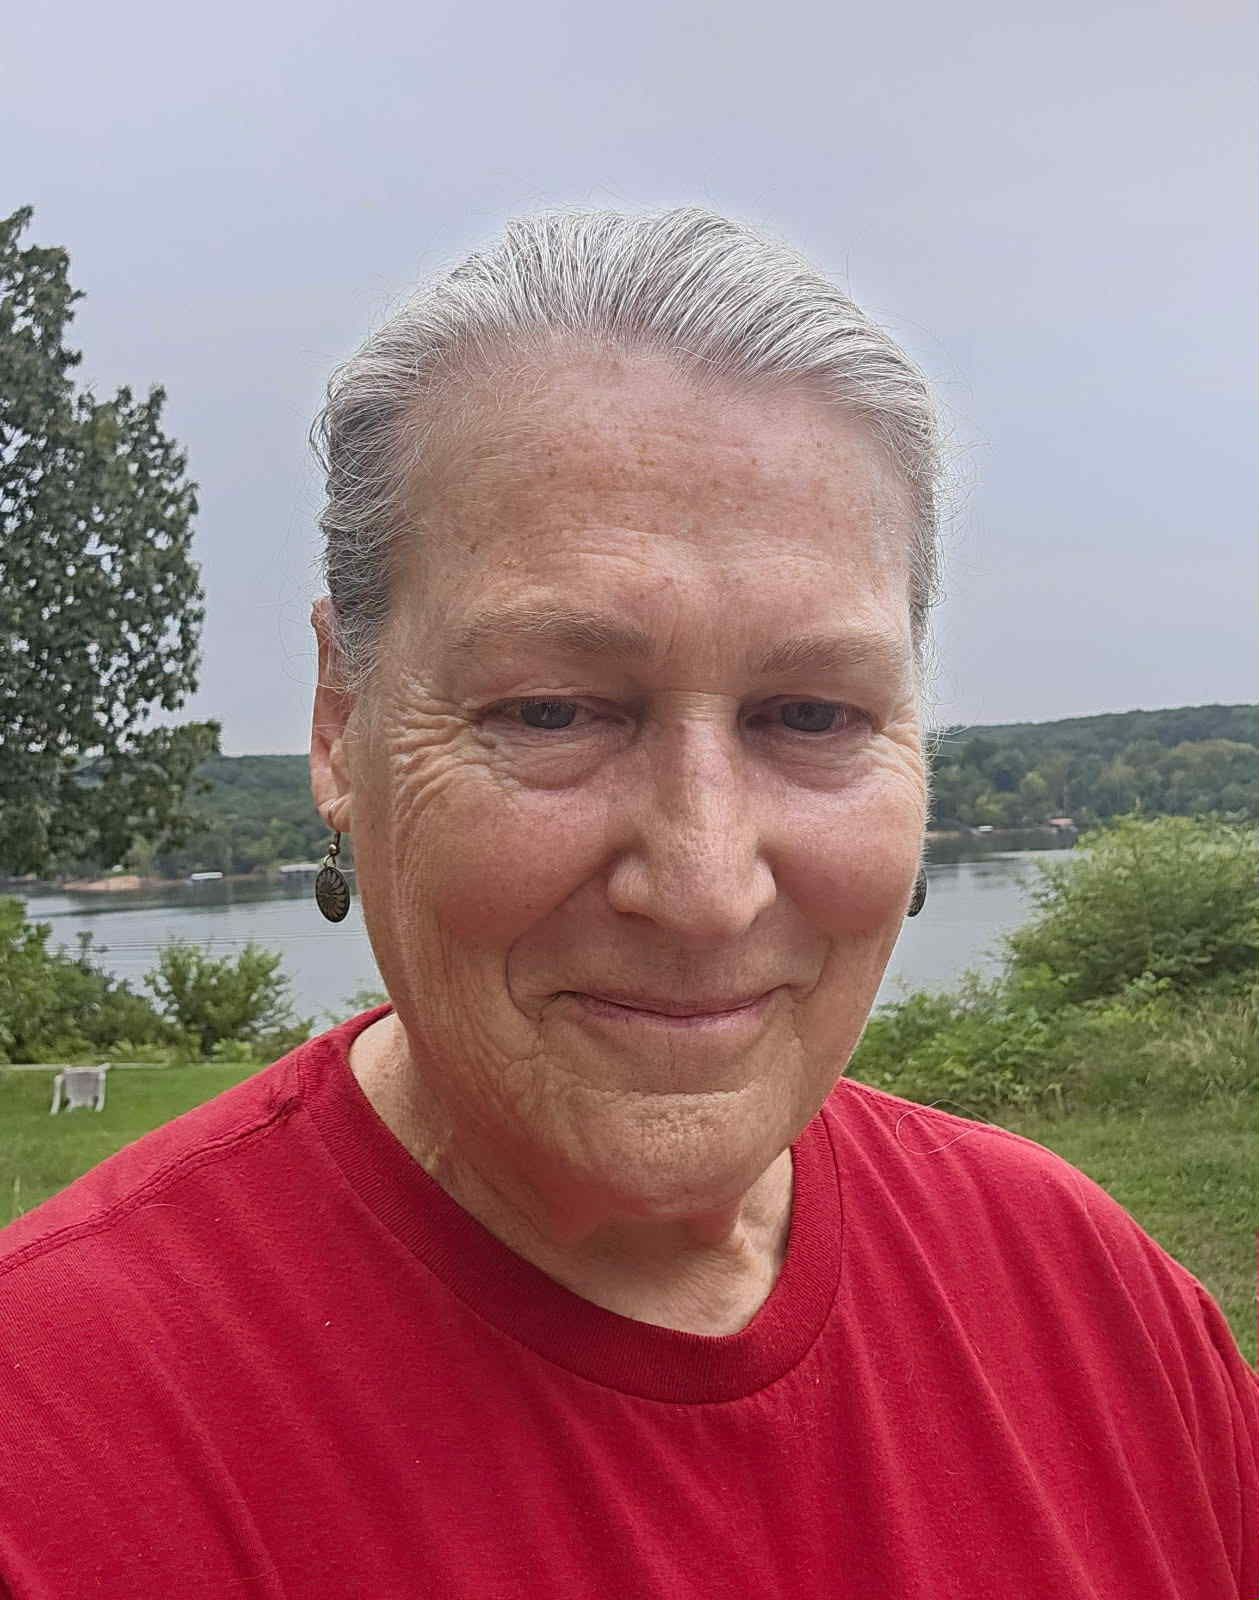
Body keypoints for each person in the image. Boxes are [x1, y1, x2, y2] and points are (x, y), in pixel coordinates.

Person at [1, 207, 1255, 1599]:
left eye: (811, 713)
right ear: (339, 721)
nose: (707, 888)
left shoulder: (1097, 1312)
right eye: (552, 710)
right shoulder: (59, 1433)